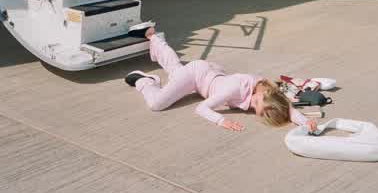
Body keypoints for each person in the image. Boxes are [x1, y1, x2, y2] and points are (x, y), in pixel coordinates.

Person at [125, 24, 318, 133]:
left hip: (210, 72)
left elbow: (286, 108)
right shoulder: (235, 89)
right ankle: (146, 81)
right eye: (257, 106)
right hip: (196, 76)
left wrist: (304, 121)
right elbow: (201, 108)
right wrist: (221, 121)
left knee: (174, 70)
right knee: (157, 104)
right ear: (263, 97)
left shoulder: (265, 90)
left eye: (258, 112)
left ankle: (151, 35)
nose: (254, 110)